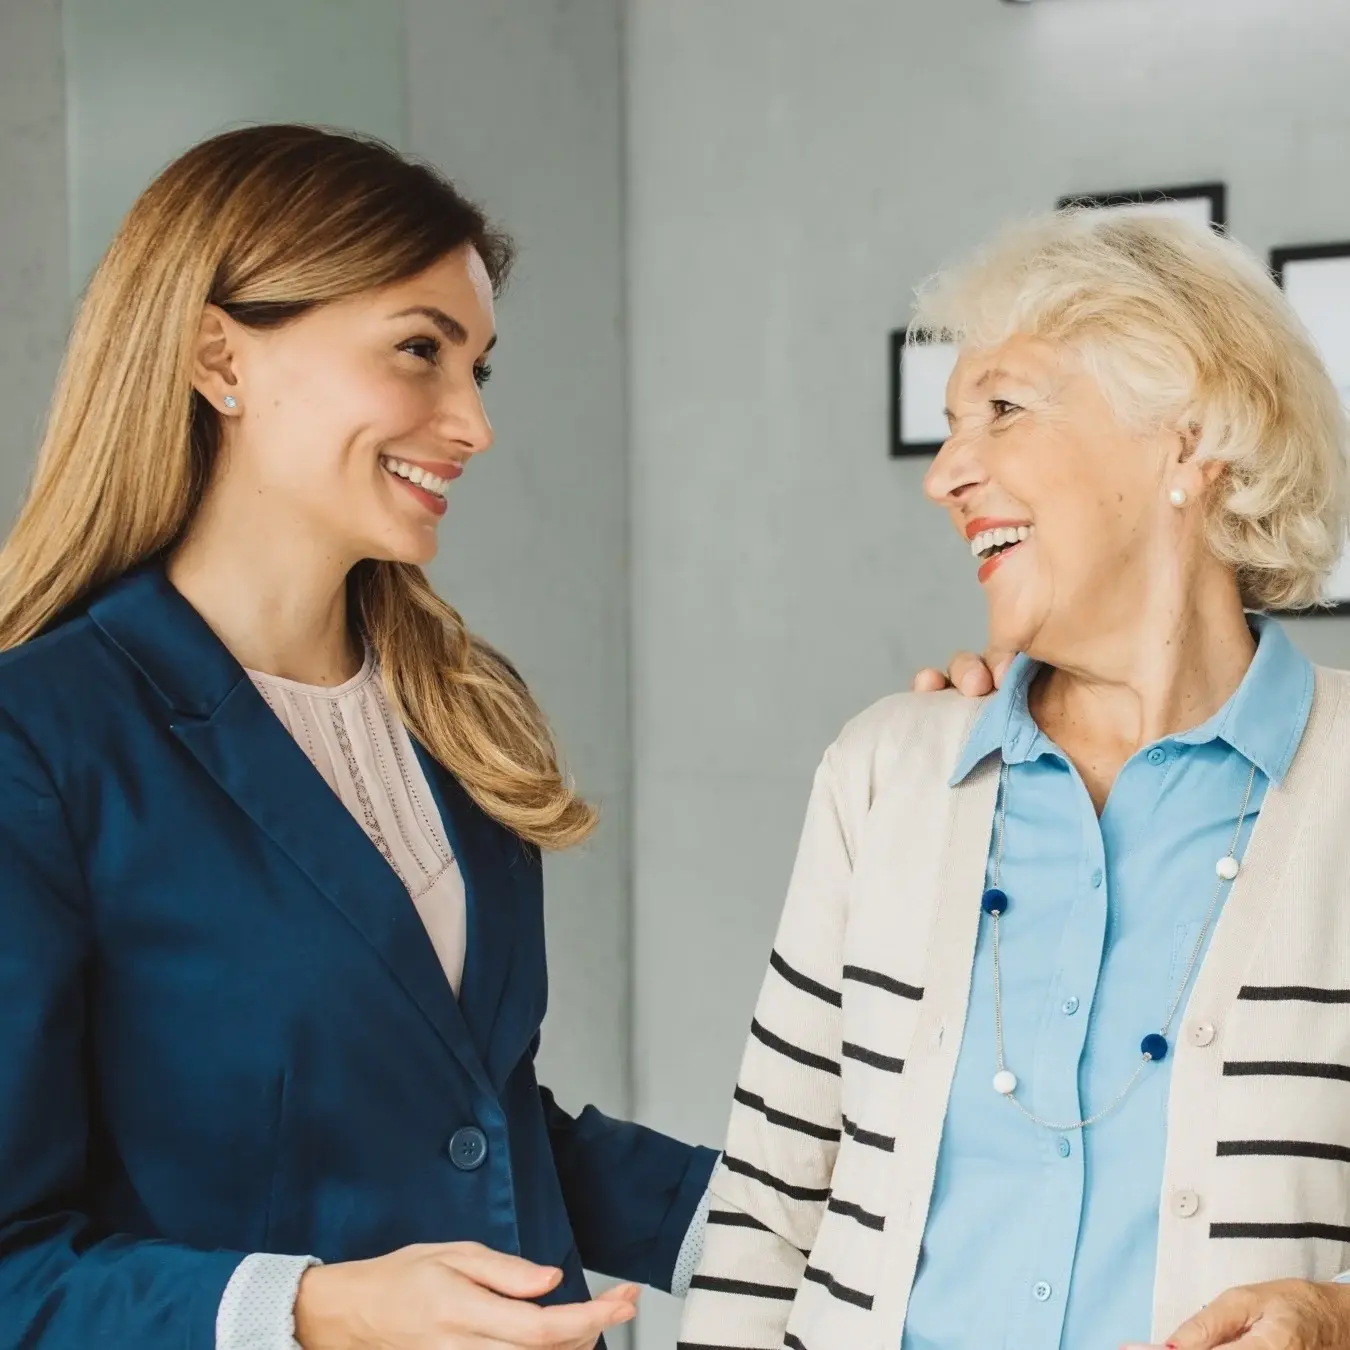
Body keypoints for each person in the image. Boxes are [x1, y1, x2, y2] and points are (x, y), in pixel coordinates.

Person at [0, 124, 717, 1350]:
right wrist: (313, 1309)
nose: (472, 422)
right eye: (420, 352)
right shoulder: (45, 739)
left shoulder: (457, 710)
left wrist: (817, 1212)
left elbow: (476, 1117)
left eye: (479, 368)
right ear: (216, 357)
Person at [678, 209, 1350, 1350]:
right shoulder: (889, 772)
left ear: (1189, 439)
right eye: (949, 426)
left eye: (1004, 410)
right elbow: (769, 1202)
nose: (945, 474)